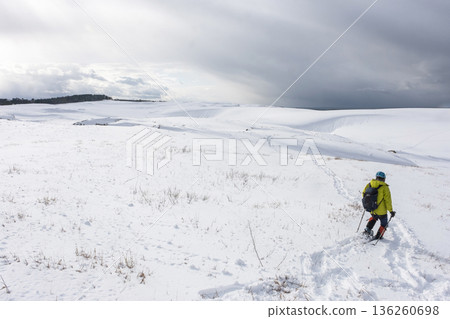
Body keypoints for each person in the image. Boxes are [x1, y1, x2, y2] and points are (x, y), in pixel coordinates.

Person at [363, 171, 396, 239]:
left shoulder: (370, 184)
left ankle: (367, 231)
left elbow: (364, 193)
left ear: (376, 177)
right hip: (382, 211)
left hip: (372, 208)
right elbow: (388, 200)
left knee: (374, 217)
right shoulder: (385, 187)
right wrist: (391, 211)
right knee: (384, 223)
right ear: (384, 179)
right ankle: (378, 236)